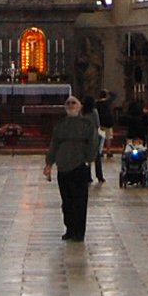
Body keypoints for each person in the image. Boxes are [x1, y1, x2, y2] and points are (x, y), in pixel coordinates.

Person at [44, 95, 101, 241]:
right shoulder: (60, 124)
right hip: (63, 166)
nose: (71, 105)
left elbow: (93, 142)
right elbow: (54, 144)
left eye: (73, 103)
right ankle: (70, 229)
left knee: (79, 201)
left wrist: (88, 159)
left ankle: (79, 232)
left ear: (80, 106)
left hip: (79, 165)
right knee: (67, 201)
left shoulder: (87, 124)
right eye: (68, 103)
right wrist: (49, 163)